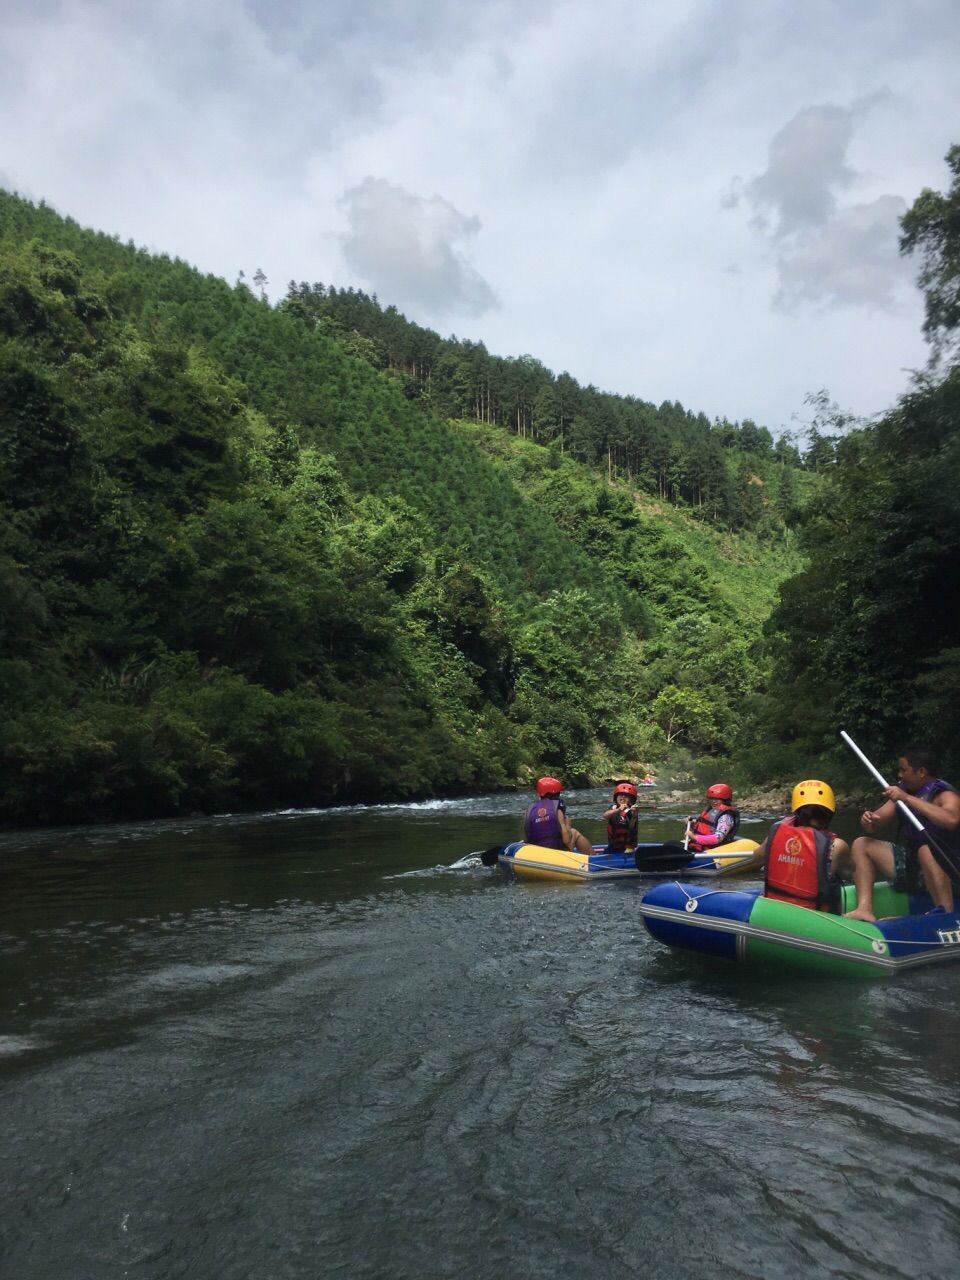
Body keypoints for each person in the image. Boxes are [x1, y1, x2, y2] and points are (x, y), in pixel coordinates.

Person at [844, 746, 960, 922]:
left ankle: (946, 915)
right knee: (862, 844)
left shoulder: (944, 794)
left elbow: (951, 820)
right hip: (913, 866)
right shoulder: (903, 792)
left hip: (951, 870)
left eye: (903, 770)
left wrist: (906, 799)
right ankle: (864, 909)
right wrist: (870, 820)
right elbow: (877, 822)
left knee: (925, 850)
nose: (899, 775)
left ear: (921, 772)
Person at [759, 780, 850, 912]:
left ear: (796, 812)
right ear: (829, 814)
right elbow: (855, 869)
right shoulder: (837, 845)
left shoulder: (775, 835)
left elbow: (756, 857)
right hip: (814, 918)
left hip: (773, 911)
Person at [523, 777, 593, 855]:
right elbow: (566, 840)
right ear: (550, 794)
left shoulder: (528, 811)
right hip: (556, 854)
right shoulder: (557, 811)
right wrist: (567, 824)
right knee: (574, 832)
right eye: (557, 794)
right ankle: (593, 858)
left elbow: (526, 839)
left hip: (537, 854)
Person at [686, 783, 740, 853]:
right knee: (671, 844)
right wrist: (692, 824)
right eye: (711, 799)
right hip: (697, 847)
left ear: (725, 799)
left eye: (717, 799)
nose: (713, 801)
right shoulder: (710, 810)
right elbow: (704, 828)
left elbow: (718, 838)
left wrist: (695, 837)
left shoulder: (726, 817)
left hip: (710, 851)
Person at [602, 782, 639, 854]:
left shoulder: (630, 811)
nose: (623, 797)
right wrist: (618, 810)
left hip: (627, 848)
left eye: (626, 796)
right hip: (613, 845)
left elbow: (632, 824)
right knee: (606, 852)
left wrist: (635, 813)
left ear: (631, 800)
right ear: (616, 797)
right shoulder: (613, 808)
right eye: (621, 795)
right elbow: (605, 816)